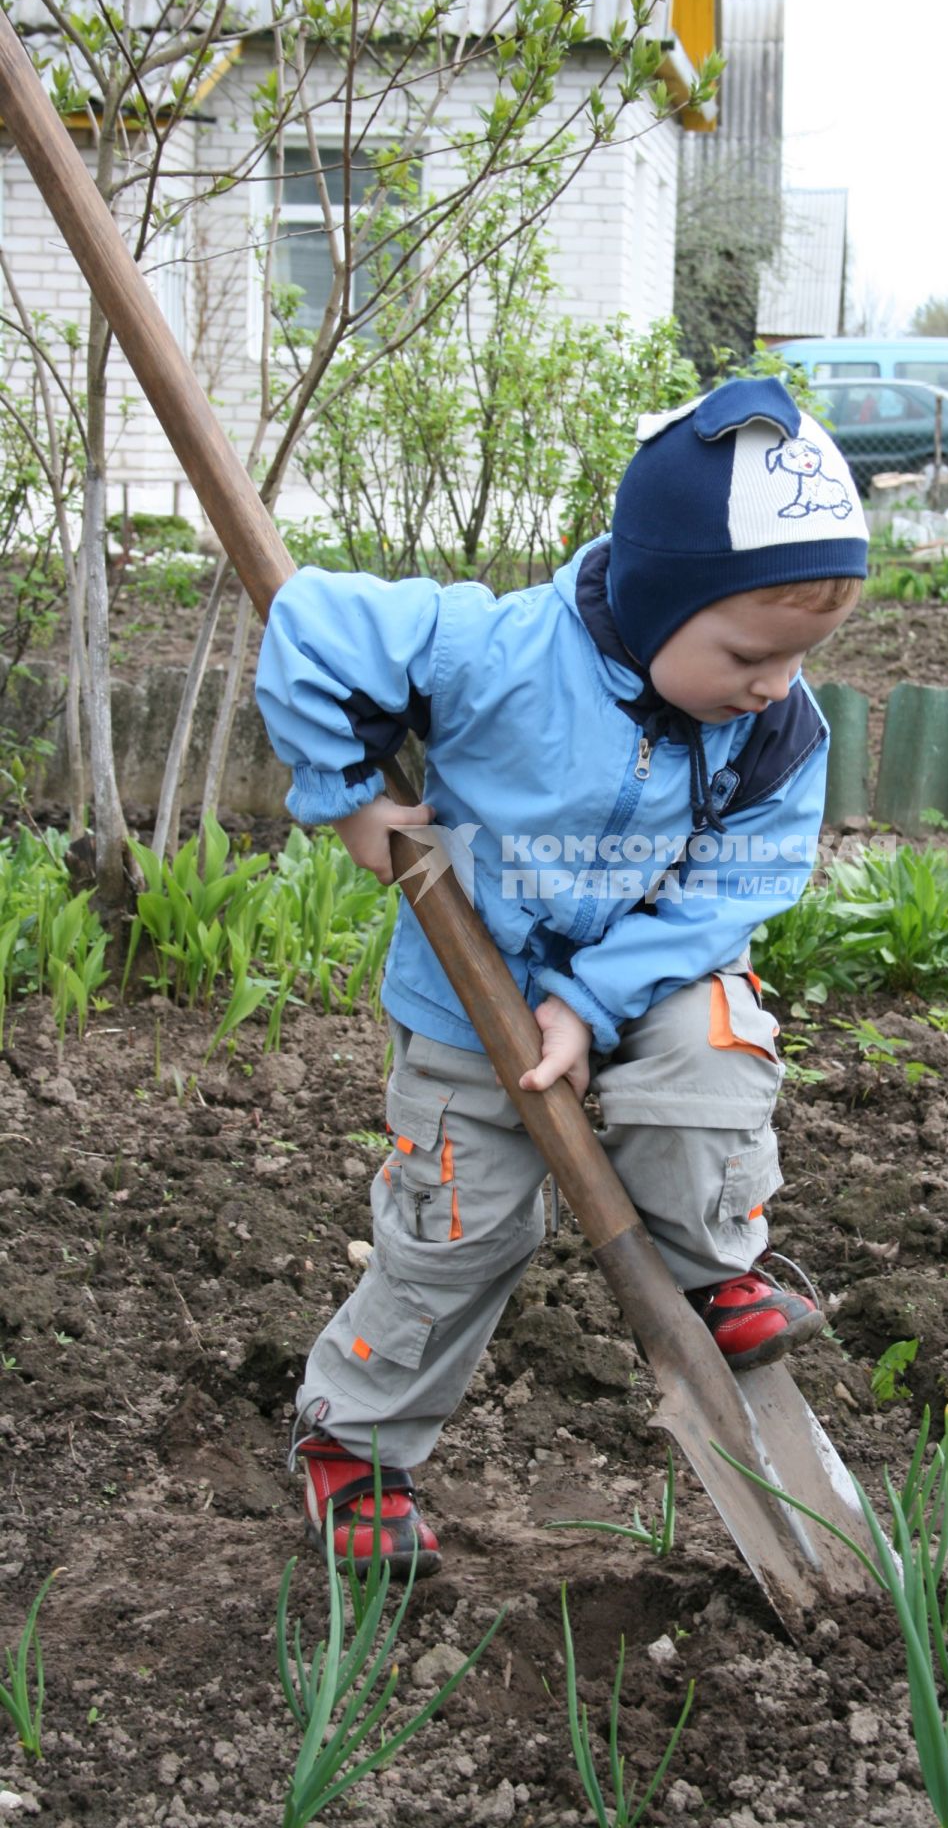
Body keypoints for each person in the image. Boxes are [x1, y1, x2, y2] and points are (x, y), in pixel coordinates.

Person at [255, 376, 868, 1578]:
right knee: (456, 1235)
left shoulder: (776, 729)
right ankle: (355, 1447)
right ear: (655, 602)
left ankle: (713, 1280)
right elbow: (310, 628)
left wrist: (591, 1002)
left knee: (713, 1055)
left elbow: (743, 880)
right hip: (466, 998)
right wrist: (348, 803)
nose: (771, 683)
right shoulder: (497, 650)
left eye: (799, 657)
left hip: (648, 982)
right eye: (748, 652)